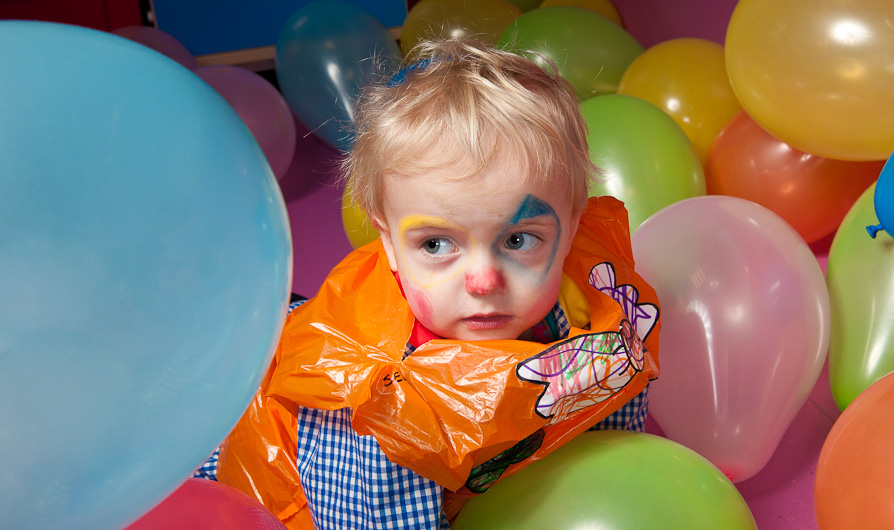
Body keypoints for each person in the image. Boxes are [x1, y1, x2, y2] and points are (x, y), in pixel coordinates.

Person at [196, 38, 661, 529]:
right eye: (437, 245)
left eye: (520, 239)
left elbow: (611, 443)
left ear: (572, 224)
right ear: (389, 243)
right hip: (298, 477)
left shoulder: (602, 313)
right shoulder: (374, 406)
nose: (483, 281)